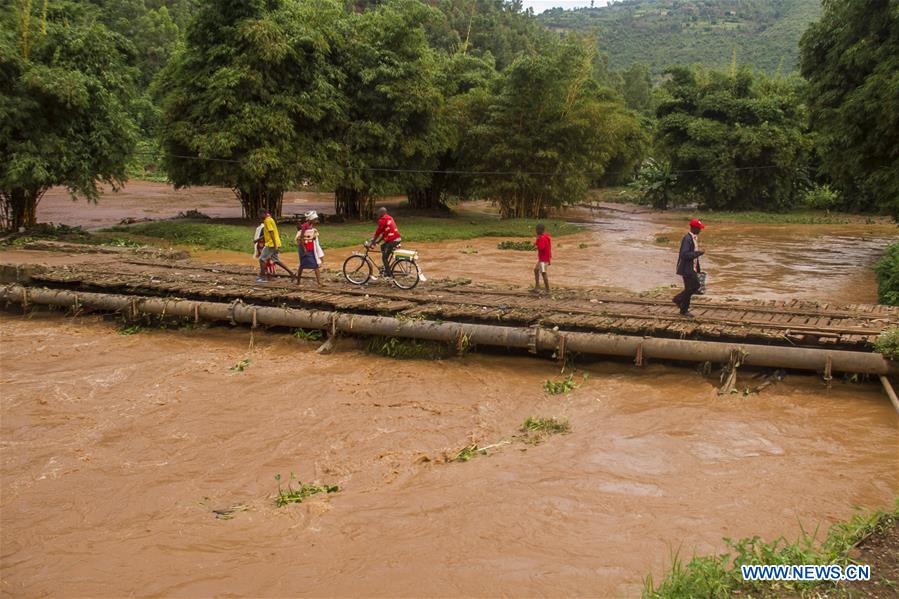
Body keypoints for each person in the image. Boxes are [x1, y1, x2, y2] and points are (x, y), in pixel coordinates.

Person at [672, 218, 705, 317]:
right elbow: (684, 254)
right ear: (694, 228)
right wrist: (698, 253)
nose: (700, 230)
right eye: (699, 228)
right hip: (686, 268)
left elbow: (694, 258)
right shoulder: (687, 239)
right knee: (693, 287)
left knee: (692, 287)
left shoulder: (693, 238)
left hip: (691, 268)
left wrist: (698, 269)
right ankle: (679, 301)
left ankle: (682, 307)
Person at [256, 209, 294, 283]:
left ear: (263, 214)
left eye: (260, 215)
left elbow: (271, 233)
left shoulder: (267, 221)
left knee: (261, 259)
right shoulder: (270, 219)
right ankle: (291, 273)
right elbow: (268, 232)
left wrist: (275, 245)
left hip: (271, 244)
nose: (259, 217)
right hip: (274, 243)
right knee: (276, 260)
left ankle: (262, 277)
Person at [369, 206, 401, 279]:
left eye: (379, 213)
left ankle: (389, 274)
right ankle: (386, 268)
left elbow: (378, 232)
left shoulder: (383, 220)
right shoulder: (389, 217)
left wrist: (373, 242)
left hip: (393, 240)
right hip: (397, 239)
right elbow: (384, 233)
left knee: (384, 258)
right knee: (382, 246)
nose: (378, 215)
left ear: (382, 213)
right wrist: (378, 242)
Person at [296, 210, 323, 286]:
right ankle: (298, 281)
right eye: (315, 219)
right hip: (304, 248)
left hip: (310, 247)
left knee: (315, 265)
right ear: (311, 219)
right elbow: (301, 238)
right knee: (302, 265)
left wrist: (313, 238)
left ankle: (319, 282)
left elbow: (309, 236)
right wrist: (304, 248)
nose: (316, 220)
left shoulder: (310, 226)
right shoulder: (304, 226)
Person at [534, 223, 552, 292]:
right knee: (536, 270)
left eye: (537, 230)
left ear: (539, 230)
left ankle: (547, 290)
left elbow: (541, 248)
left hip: (543, 260)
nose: (536, 231)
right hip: (544, 258)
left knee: (543, 273)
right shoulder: (545, 236)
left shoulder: (541, 238)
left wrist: (538, 239)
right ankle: (537, 287)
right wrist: (537, 239)